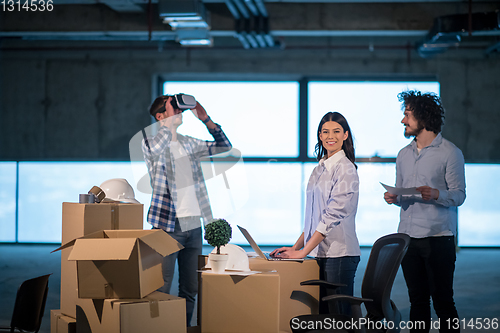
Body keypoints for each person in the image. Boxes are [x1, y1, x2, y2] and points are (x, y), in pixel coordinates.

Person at [142, 95, 232, 326]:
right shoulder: (151, 142)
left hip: (193, 226)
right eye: (172, 108)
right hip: (166, 227)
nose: (178, 112)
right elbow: (155, 150)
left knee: (190, 288)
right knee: (161, 287)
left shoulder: (189, 143)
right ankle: (160, 329)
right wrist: (169, 123)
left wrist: (206, 120)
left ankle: (183, 329)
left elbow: (224, 147)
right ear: (159, 116)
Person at [384, 90, 465, 332]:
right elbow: (403, 195)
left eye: (407, 115)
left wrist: (437, 194)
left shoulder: (450, 152)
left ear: (423, 116)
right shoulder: (403, 154)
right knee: (417, 302)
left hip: (438, 238)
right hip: (408, 238)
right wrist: (394, 197)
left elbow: (459, 195)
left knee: (443, 302)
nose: (403, 120)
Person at [271, 111, 361, 316]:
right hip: (318, 252)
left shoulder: (346, 169)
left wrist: (302, 252)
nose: (331, 136)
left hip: (339, 254)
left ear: (345, 135)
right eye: (325, 132)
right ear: (320, 136)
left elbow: (330, 218)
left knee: (338, 319)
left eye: (337, 131)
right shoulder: (319, 168)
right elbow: (314, 218)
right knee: (321, 316)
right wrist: (295, 248)